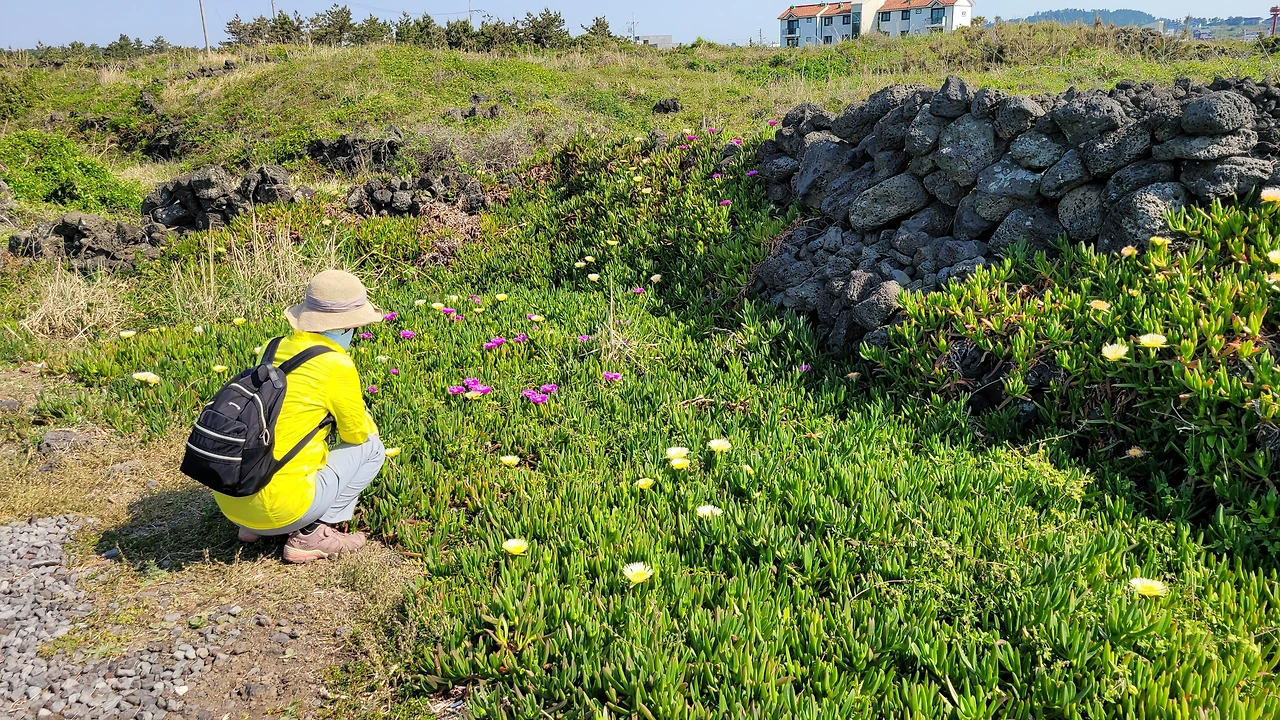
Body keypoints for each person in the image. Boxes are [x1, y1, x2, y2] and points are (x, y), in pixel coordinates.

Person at [212, 270, 386, 564]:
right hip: (280, 510)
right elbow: (355, 434)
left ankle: (250, 527)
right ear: (346, 327)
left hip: (233, 496)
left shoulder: (274, 347)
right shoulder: (336, 364)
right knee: (371, 448)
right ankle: (313, 533)